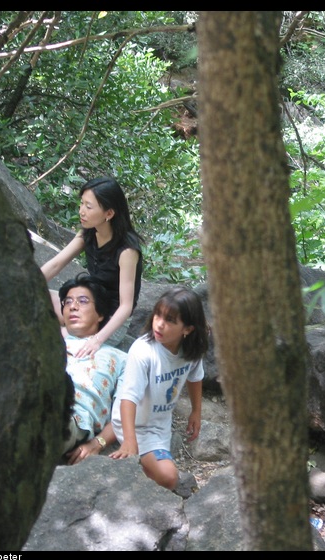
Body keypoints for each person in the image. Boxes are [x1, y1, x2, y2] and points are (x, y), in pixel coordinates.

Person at [110, 287, 209, 490]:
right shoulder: (143, 350)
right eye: (158, 315)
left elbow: (195, 377)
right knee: (169, 477)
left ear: (188, 329)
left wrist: (196, 412)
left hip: (159, 425)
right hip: (133, 425)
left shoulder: (191, 350)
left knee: (167, 478)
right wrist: (129, 442)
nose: (160, 324)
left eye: (170, 320)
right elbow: (128, 398)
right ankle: (116, 444)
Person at [41, 176, 144, 357]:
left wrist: (97, 340)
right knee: (35, 294)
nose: (81, 211)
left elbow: (126, 306)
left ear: (109, 213)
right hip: (86, 304)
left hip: (110, 320)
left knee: (45, 326)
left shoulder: (127, 250)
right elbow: (56, 264)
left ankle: (67, 335)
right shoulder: (88, 234)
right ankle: (66, 333)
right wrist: (24, 284)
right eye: (82, 204)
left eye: (88, 207)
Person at [59, 273, 128, 465]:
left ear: (100, 314)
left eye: (82, 301)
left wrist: (98, 443)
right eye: (67, 302)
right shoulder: (49, 341)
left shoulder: (121, 359)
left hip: (69, 418)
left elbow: (127, 410)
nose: (73, 306)